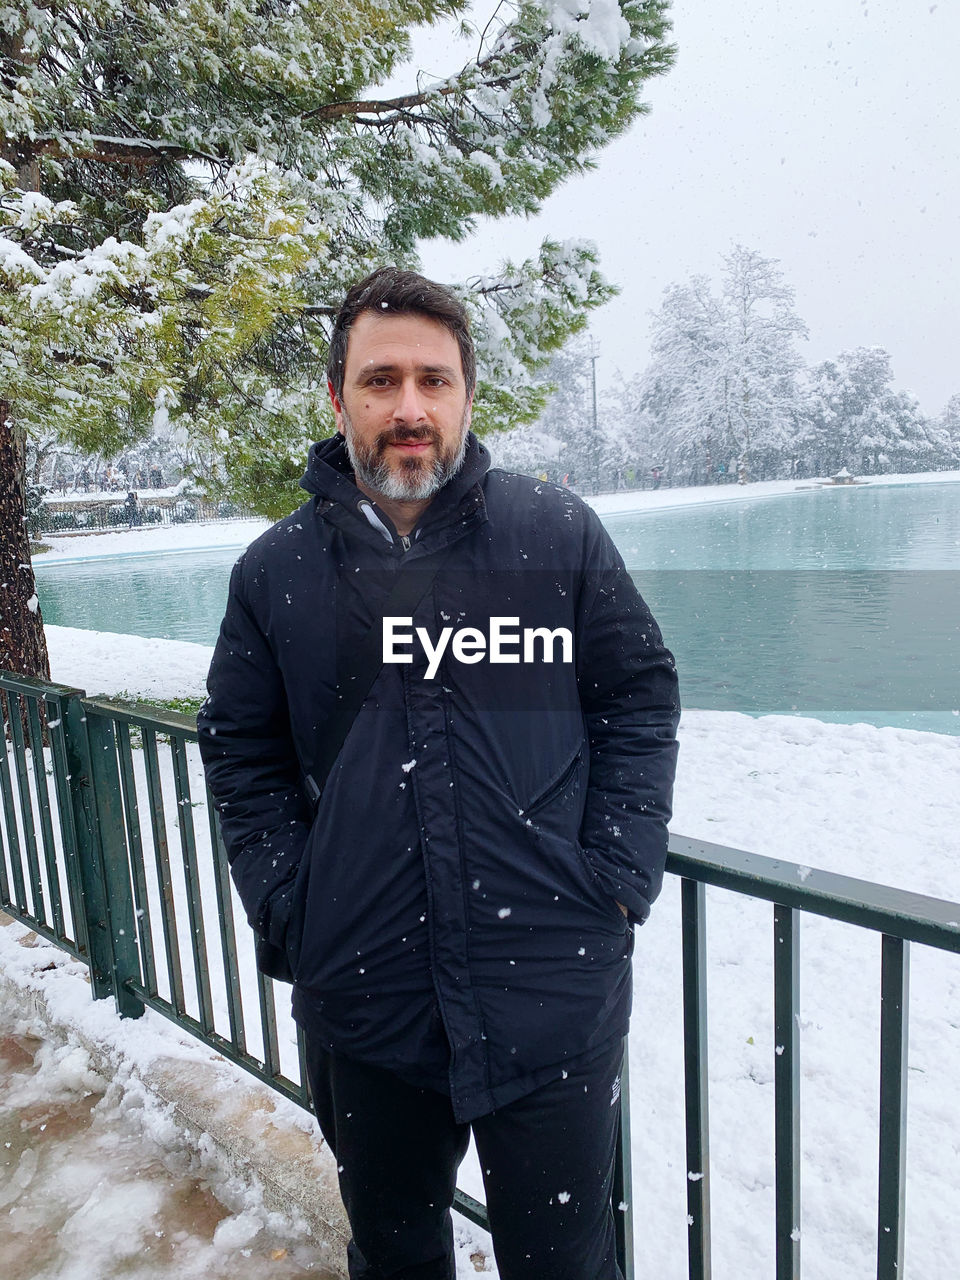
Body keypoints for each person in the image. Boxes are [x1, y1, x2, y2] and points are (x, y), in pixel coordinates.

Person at [198, 268, 679, 1280]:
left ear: (466, 395)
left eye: (433, 379)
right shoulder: (275, 573)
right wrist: (291, 905)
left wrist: (618, 872)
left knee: (568, 1261)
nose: (408, 406)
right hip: (364, 1002)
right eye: (380, 380)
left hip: (550, 990)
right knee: (397, 1252)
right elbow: (243, 748)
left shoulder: (556, 537)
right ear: (338, 398)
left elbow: (636, 693)